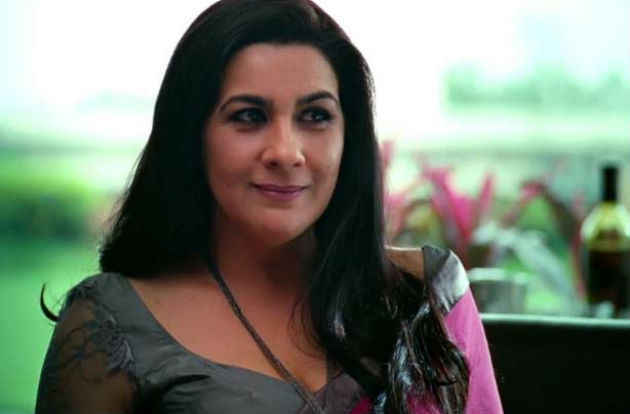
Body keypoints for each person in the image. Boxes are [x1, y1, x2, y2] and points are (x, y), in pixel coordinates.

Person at [36, 1, 502, 413]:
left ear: (349, 138)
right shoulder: (111, 323)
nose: (286, 152)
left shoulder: (427, 295)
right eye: (249, 116)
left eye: (315, 116)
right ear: (192, 137)